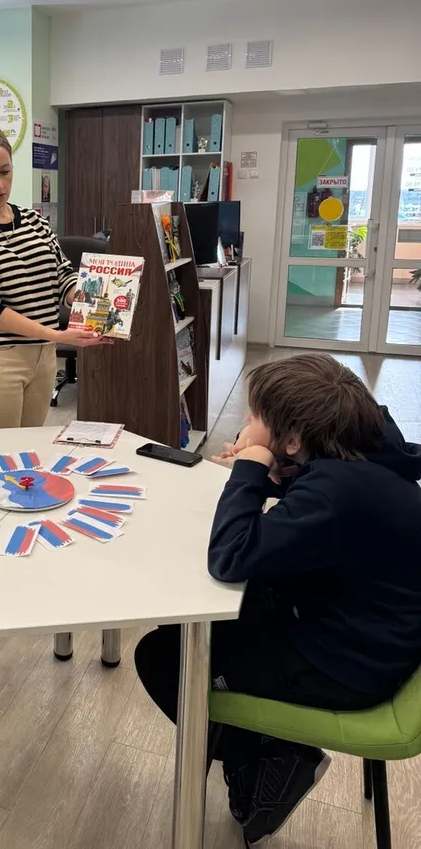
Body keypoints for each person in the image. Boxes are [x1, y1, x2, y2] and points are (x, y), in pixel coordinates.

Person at [134, 353, 421, 846]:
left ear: (292, 439)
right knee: (195, 627)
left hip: (344, 662)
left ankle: (272, 761)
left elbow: (230, 556)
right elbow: (325, 503)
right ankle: (269, 751)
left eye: (258, 417)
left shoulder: (334, 493)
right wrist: (279, 474)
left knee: (165, 657)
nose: (248, 422)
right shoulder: (375, 452)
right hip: (367, 629)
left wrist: (250, 467)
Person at [0, 125, 105, 429]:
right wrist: (56, 334)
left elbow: (63, 276)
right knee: (0, 453)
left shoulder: (34, 221)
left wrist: (95, 299)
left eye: (5, 171)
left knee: (30, 447)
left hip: (43, 357)